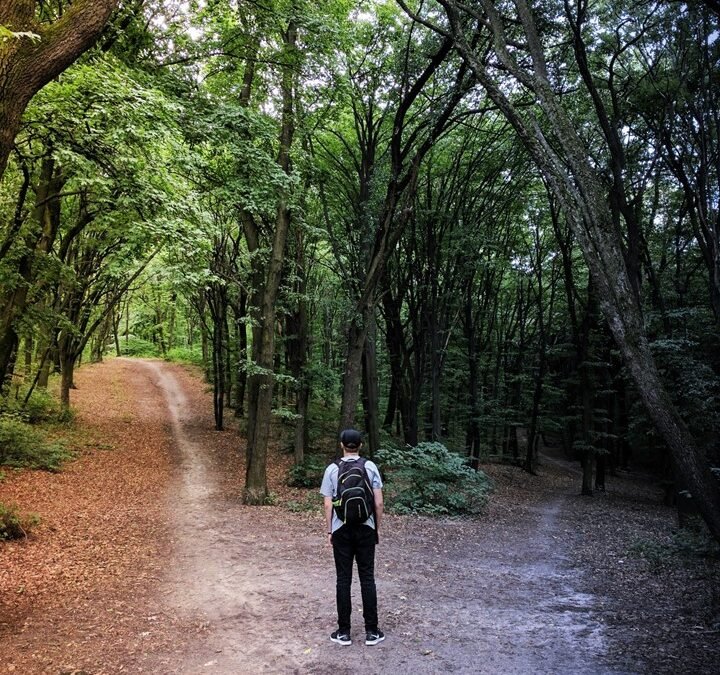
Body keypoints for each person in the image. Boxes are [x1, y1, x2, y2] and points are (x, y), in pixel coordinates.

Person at [320, 428, 385, 646]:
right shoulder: (370, 466)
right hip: (366, 528)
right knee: (367, 577)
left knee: (343, 579)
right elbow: (378, 503)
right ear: (360, 445)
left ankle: (344, 632)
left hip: (341, 529)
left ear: (342, 445)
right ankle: (372, 632)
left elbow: (328, 503)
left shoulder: (332, 469)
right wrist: (376, 528)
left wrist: (330, 530)